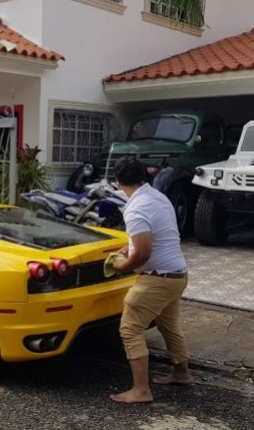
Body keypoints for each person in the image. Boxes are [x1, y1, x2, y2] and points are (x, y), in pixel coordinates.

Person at [110, 156, 193, 404]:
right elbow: (157, 237)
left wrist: (122, 266)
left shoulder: (135, 208)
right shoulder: (157, 197)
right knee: (169, 325)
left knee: (130, 328)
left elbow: (144, 253)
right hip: (177, 274)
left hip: (158, 279)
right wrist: (130, 249)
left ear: (118, 182)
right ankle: (182, 374)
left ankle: (141, 390)